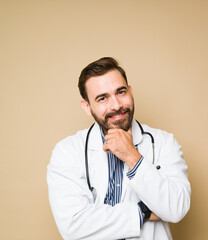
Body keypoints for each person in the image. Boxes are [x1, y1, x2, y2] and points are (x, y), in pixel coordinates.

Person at [47, 57, 191, 240]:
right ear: (87, 107)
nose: (116, 105)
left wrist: (132, 156)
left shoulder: (163, 142)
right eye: (102, 98)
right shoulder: (67, 152)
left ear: (130, 92)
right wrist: (143, 212)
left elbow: (176, 208)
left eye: (121, 92)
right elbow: (74, 225)